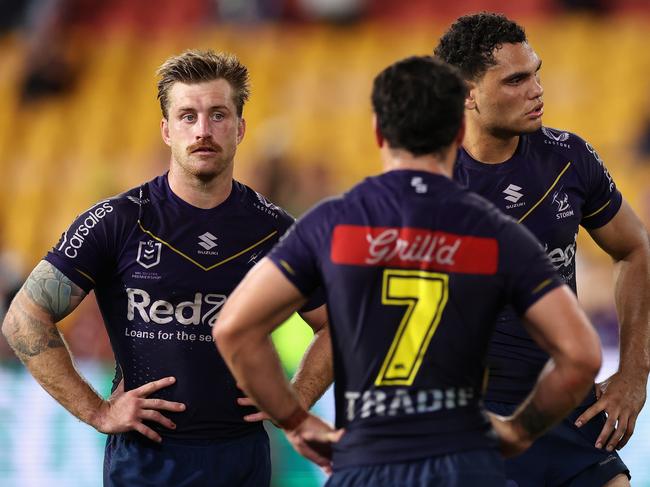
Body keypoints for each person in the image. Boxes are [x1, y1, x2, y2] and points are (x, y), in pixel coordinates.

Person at [214, 55, 602, 486]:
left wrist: (295, 420)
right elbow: (582, 354)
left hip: (366, 465)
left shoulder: (333, 224)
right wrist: (518, 430)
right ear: (458, 130)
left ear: (379, 132)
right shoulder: (496, 234)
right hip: (467, 464)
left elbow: (234, 328)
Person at [0, 49, 331, 486]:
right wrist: (96, 410)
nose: (203, 131)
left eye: (218, 115)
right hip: (145, 463)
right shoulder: (117, 221)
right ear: (167, 130)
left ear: (240, 128)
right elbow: (24, 317)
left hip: (242, 459)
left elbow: (335, 326)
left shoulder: (274, 230)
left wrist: (297, 397)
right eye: (187, 116)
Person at [434, 12, 650, 487]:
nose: (536, 90)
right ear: (466, 94)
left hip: (567, 414)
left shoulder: (569, 158)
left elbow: (636, 250)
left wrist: (635, 372)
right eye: (516, 79)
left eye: (536, 72)